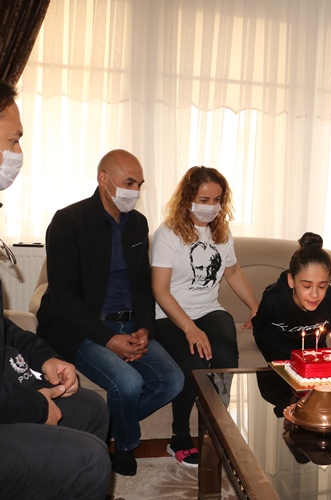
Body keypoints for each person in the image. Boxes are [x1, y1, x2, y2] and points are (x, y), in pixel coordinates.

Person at [36, 148, 184, 476]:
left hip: (129, 322)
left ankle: (105, 428)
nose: (136, 191)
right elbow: (63, 294)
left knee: (173, 380)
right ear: (103, 179)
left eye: (139, 184)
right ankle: (125, 446)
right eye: (129, 182)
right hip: (81, 327)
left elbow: (142, 285)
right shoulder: (68, 221)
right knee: (128, 383)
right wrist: (108, 338)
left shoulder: (138, 224)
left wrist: (145, 328)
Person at [0, 80, 111, 500]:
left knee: (92, 407)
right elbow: (61, 295)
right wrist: (33, 406)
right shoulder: (70, 221)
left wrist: (45, 358)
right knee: (88, 460)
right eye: (13, 140)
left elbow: (4, 328)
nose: (18, 153)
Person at [151, 166, 259, 467]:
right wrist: (189, 329)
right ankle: (179, 438)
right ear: (188, 198)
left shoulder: (221, 233)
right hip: (169, 314)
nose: (211, 206)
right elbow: (159, 290)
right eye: (204, 199)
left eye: (217, 200)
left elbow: (233, 271)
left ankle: (217, 429)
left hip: (209, 309)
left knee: (225, 354)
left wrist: (255, 306)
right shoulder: (168, 234)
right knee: (195, 361)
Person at [252, 232, 331, 362]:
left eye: (322, 286)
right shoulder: (273, 301)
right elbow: (263, 334)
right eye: (307, 286)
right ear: (291, 281)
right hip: (279, 355)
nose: (314, 294)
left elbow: (321, 338)